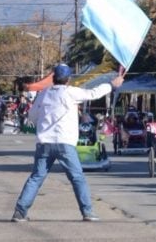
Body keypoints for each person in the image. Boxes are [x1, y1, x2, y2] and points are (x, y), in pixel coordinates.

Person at [12, 64, 124, 222]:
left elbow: (32, 116)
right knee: (77, 178)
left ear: (53, 78)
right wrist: (112, 85)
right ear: (68, 79)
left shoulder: (43, 94)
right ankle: (87, 212)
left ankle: (20, 212)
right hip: (65, 143)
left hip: (44, 143)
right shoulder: (71, 92)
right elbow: (93, 93)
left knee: (36, 177)